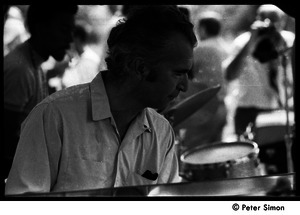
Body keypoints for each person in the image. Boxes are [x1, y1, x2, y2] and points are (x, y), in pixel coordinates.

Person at [5, 5, 197, 195]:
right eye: (178, 73)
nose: (185, 86)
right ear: (140, 68)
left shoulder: (162, 134)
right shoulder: (54, 117)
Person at [3, 5, 78, 186]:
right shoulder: (20, 70)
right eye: (63, 30)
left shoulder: (34, 63)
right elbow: (6, 141)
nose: (69, 39)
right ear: (40, 27)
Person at [224, 4, 295, 138]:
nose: (270, 26)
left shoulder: (288, 40)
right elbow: (230, 75)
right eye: (266, 21)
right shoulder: (242, 42)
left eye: (275, 21)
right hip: (249, 110)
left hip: (280, 110)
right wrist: (251, 42)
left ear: (283, 22)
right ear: (256, 19)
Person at [174, 11, 232, 151]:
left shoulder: (202, 48)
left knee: (193, 151)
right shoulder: (225, 47)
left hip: (205, 108)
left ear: (203, 29)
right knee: (215, 153)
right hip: (223, 106)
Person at [61, 22, 102, 88]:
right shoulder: (76, 58)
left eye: (71, 38)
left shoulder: (90, 60)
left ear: (77, 39)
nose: (68, 41)